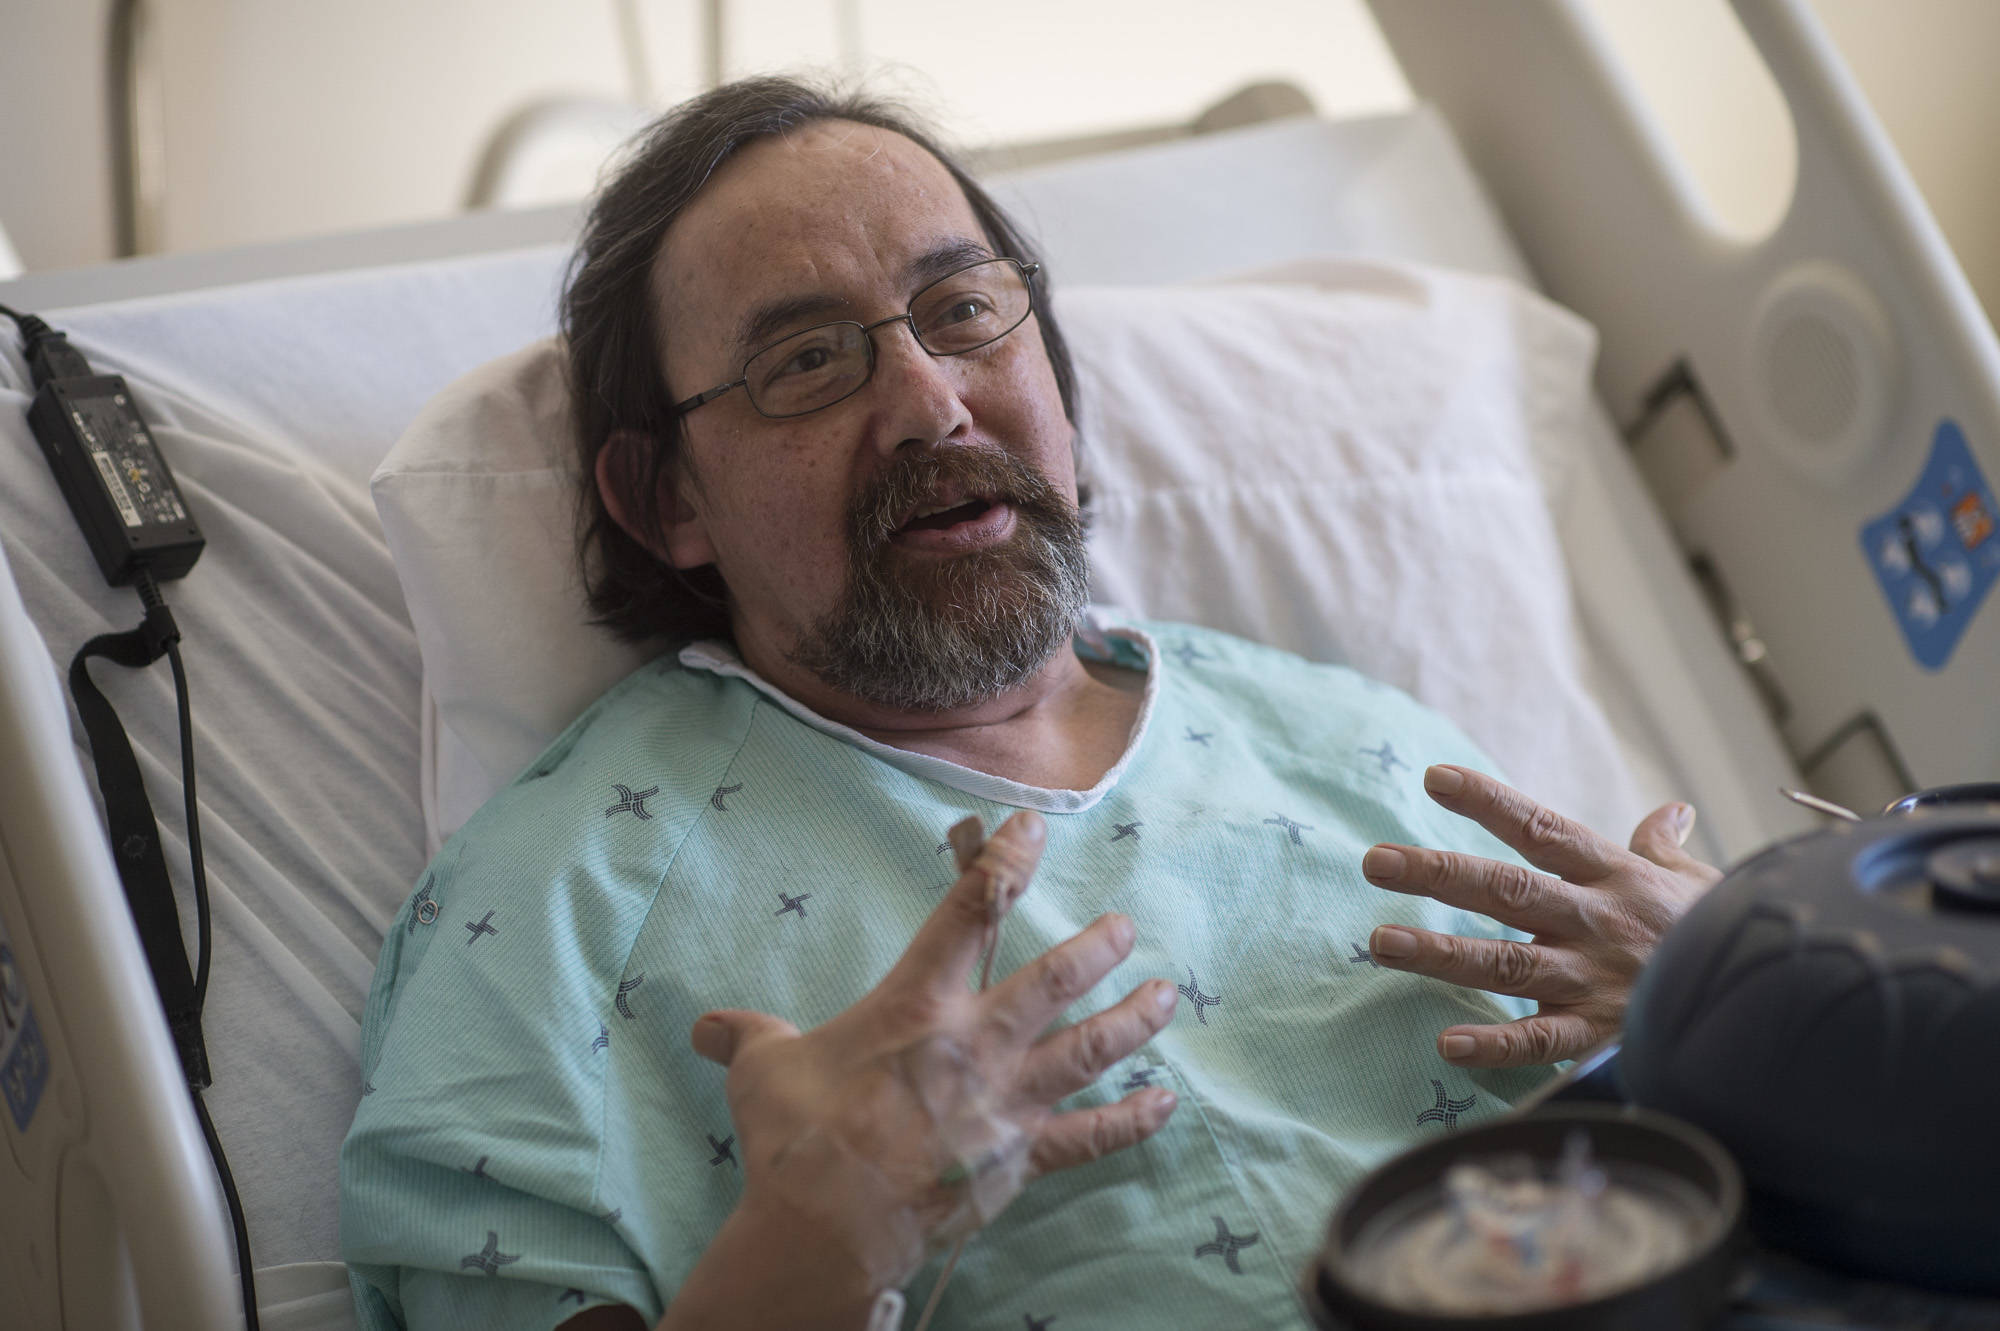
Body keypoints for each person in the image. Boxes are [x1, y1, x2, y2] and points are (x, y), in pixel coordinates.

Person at [339, 77, 1720, 1331]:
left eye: (963, 313)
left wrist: (1726, 992)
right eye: (808, 362)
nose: (931, 402)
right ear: (669, 501)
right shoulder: (558, 893)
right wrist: (821, 1242)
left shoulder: (1358, 741)